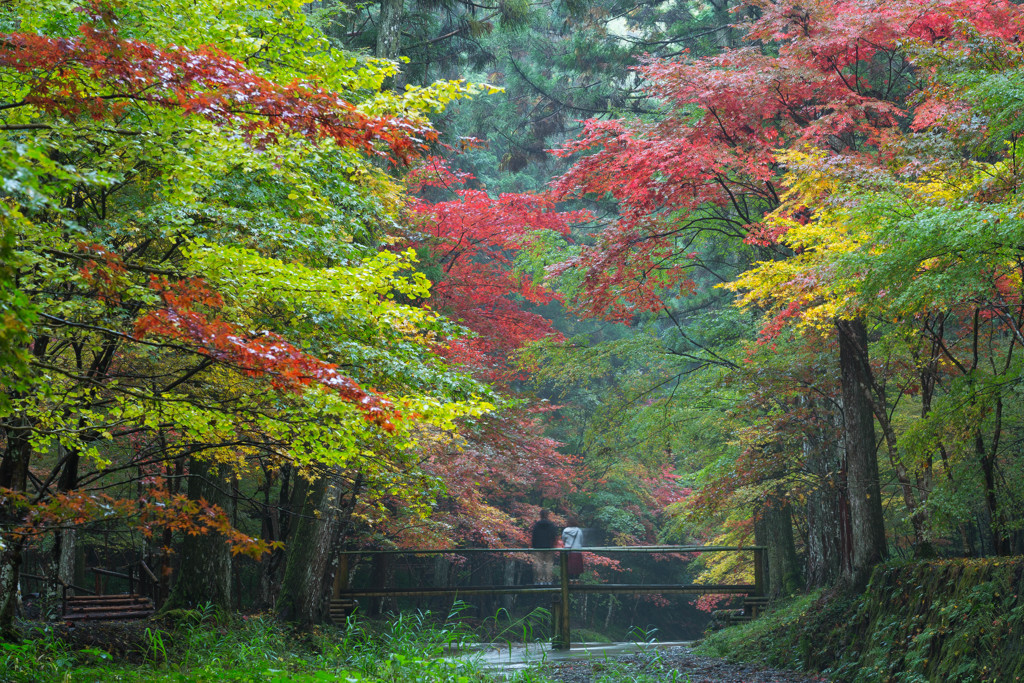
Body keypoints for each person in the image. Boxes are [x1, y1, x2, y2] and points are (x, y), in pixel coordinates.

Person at [530, 509, 558, 584]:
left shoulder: (537, 525)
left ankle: (540, 580)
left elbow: (534, 536)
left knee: (538, 563)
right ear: (547, 515)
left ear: (540, 515)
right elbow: (554, 536)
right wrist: (553, 545)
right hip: (549, 547)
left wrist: (533, 546)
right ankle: (548, 580)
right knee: (549, 564)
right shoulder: (551, 525)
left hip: (538, 547)